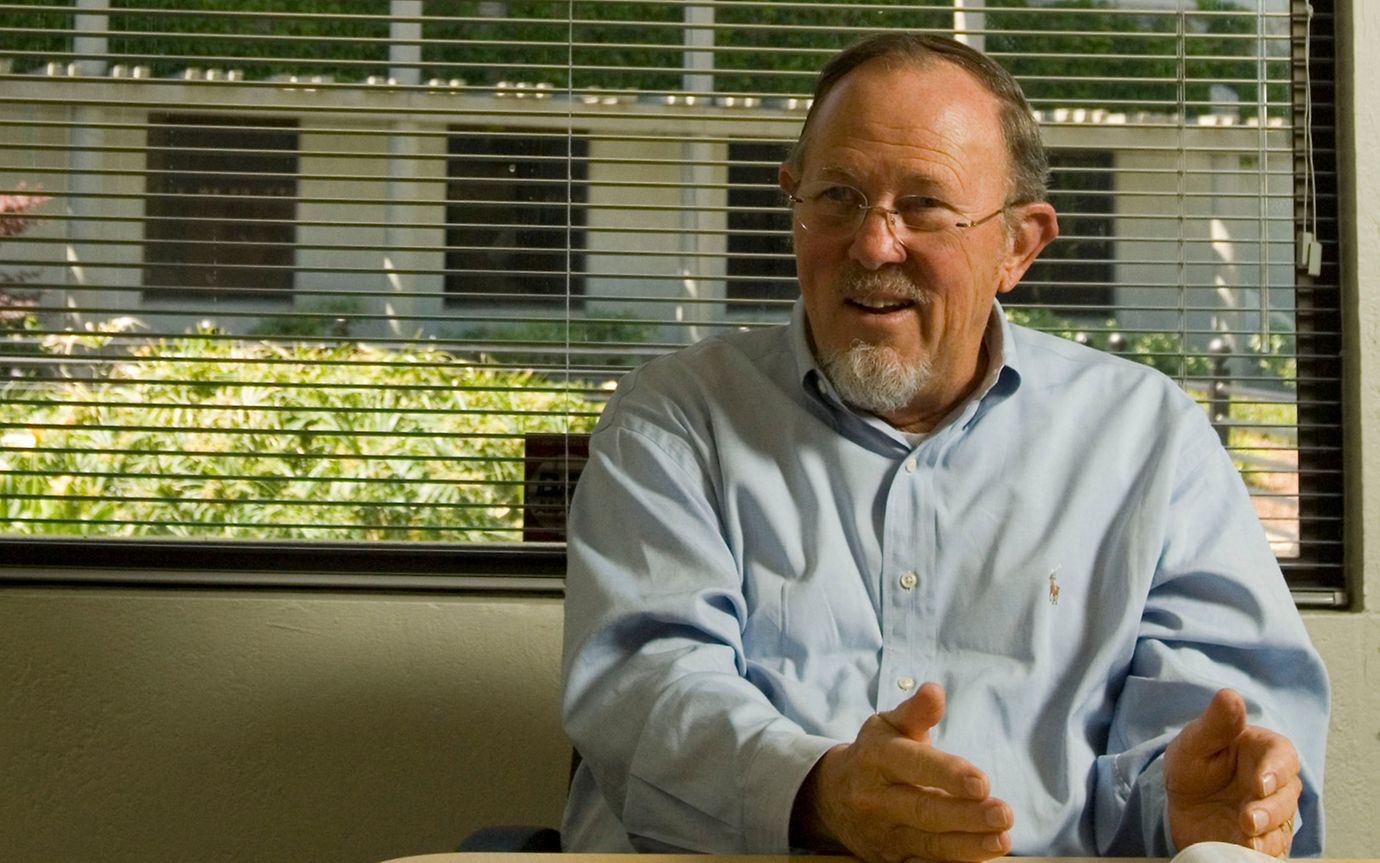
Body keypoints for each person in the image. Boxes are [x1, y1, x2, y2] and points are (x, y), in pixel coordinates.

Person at [559, 32, 1329, 862]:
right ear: (793, 204)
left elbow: (1212, 730)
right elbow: (643, 690)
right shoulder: (677, 419)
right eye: (838, 197)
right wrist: (818, 792)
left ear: (1019, 245)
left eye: (924, 204)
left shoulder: (1150, 441)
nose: (873, 244)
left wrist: (1190, 807)